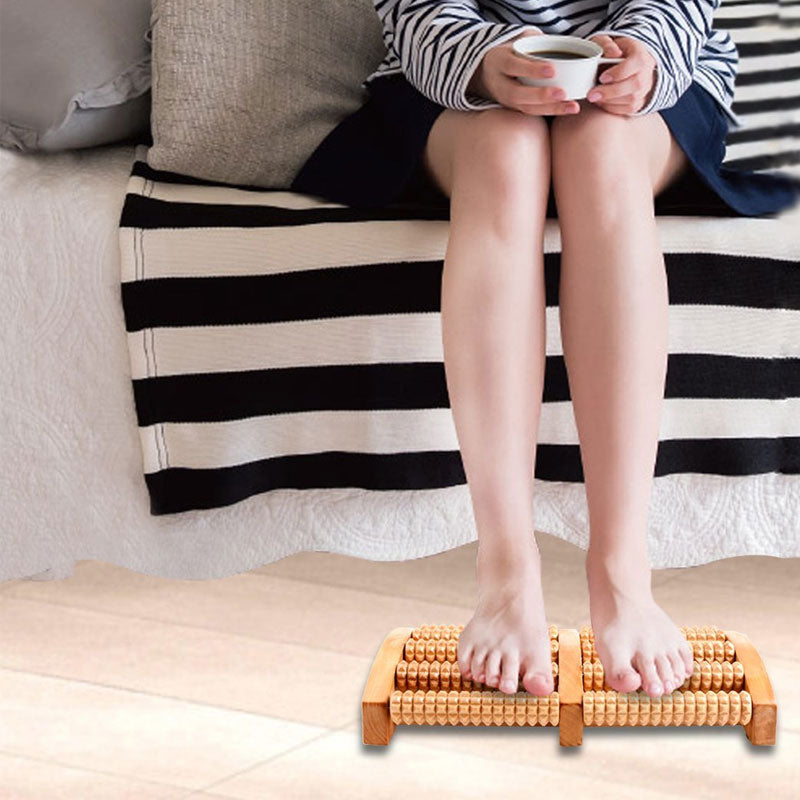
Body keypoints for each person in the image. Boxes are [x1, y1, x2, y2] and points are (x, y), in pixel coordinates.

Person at [291, 1, 800, 699]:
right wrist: (480, 64)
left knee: (600, 147)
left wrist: (642, 56)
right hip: (456, 82)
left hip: (650, 88)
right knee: (507, 149)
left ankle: (622, 572)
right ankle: (505, 573)